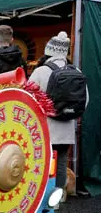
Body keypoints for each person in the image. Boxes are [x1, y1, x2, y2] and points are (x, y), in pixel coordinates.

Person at [28, 32, 89, 204]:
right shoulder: (76, 71)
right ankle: (58, 196)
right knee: (61, 162)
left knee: (43, 161)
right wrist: (70, 114)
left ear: (49, 51)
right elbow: (85, 101)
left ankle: (41, 197)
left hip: (44, 127)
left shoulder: (40, 71)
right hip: (66, 128)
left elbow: (28, 97)